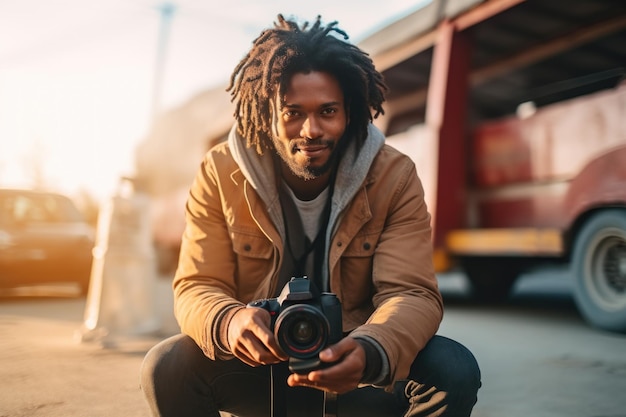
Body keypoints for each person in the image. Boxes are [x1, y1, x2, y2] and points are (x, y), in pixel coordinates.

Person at [140, 14, 481, 417]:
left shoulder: (395, 175)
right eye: (293, 112)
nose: (311, 129)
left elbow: (412, 293)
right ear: (268, 115)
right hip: (259, 366)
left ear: (350, 112)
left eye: (327, 111)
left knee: (453, 369)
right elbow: (198, 284)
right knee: (168, 365)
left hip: (356, 367)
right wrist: (230, 322)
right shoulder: (219, 172)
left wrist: (371, 350)